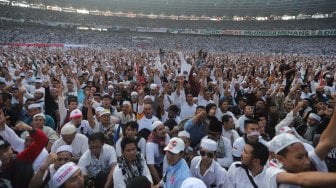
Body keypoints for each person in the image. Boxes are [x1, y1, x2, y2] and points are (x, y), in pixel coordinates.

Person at [265, 105, 336, 187]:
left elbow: (327, 142)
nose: (307, 162)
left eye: (306, 155)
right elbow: (303, 179)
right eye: (299, 157)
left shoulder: (309, 159)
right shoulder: (273, 174)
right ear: (280, 159)